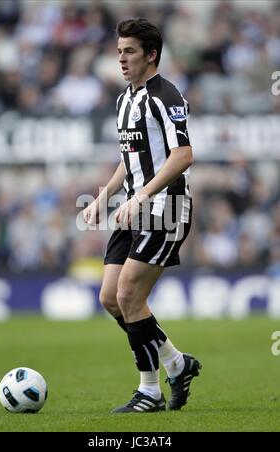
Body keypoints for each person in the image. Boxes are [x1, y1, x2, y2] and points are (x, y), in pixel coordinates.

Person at [83, 18, 201, 413]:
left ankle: (149, 391)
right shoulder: (124, 100)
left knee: (130, 295)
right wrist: (105, 196)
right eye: (119, 51)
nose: (121, 58)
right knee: (110, 298)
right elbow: (128, 158)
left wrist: (143, 195)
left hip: (165, 207)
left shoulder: (166, 96)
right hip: (134, 208)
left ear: (151, 55)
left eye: (129, 51)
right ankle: (177, 363)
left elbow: (183, 155)